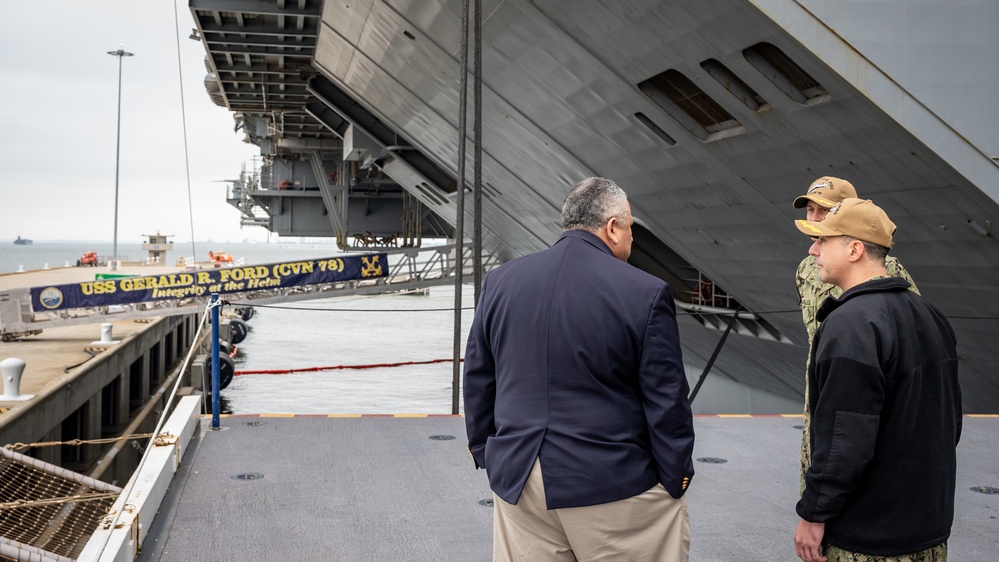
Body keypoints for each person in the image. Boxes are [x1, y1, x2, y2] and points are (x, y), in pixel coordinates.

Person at [463, 177, 695, 561]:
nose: (632, 239)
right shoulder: (645, 292)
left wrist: (487, 451)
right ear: (612, 228)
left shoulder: (501, 281)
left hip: (520, 479)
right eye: (631, 228)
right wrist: (676, 477)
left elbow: (478, 375)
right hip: (612, 482)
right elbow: (666, 399)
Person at [792, 198, 961, 562]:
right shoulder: (930, 315)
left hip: (867, 539)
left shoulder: (850, 324)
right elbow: (950, 423)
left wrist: (814, 512)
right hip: (928, 531)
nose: (813, 249)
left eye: (823, 241)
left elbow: (844, 438)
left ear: (854, 249)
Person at [792, 177, 919, 494]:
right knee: (815, 474)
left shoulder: (885, 268)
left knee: (862, 476)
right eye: (811, 209)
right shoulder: (806, 270)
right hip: (822, 387)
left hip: (865, 387)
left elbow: (910, 329)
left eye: (825, 211)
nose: (815, 218)